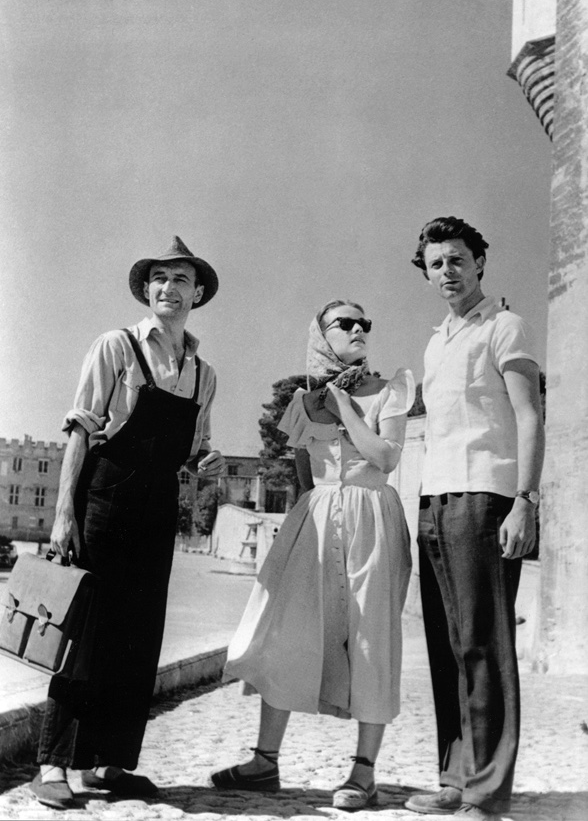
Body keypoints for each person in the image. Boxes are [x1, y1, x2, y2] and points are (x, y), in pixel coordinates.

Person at [31, 236, 225, 810]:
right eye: (160, 278)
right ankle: (53, 763)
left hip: (157, 508)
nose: (170, 288)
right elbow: (80, 430)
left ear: (197, 295)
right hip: (104, 497)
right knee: (86, 635)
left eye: (181, 280)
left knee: (139, 638)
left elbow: (194, 449)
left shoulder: (203, 372)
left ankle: (107, 765)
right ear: (147, 289)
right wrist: (64, 514)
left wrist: (205, 463)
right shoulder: (115, 346)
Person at [211, 299, 415, 810]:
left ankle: (363, 772)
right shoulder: (301, 404)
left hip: (372, 517)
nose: (358, 329)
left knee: (371, 636)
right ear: (321, 335)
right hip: (316, 520)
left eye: (364, 322)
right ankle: (264, 763)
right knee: (286, 630)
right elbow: (304, 472)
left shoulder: (390, 390)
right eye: (344, 323)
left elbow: (386, 457)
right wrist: (309, 522)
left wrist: (346, 406)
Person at [405, 218, 545, 821]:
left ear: (480, 262)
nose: (448, 272)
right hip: (435, 498)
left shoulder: (505, 326)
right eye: (436, 264)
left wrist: (525, 500)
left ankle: (488, 791)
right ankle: (455, 777)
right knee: (446, 645)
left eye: (458, 260)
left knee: (484, 644)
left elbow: (529, 414)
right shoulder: (437, 341)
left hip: (485, 496)